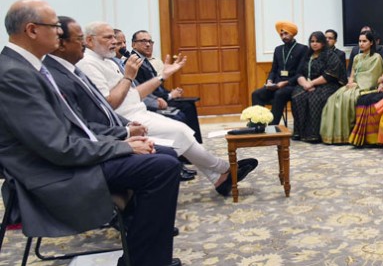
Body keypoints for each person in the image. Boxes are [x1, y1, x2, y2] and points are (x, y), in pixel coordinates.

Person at [0, 0, 182, 266]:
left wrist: (122, 137)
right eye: (54, 27)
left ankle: (141, 252)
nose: (59, 33)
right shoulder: (14, 74)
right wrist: (124, 146)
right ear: (32, 30)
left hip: (64, 158)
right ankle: (146, 261)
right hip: (51, 172)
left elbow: (75, 126)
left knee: (162, 156)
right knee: (162, 166)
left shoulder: (29, 67)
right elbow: (58, 147)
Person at [77, 21, 257, 197]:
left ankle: (219, 177)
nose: (114, 42)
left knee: (182, 130)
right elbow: (108, 104)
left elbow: (134, 94)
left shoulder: (109, 61)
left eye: (114, 38)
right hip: (125, 119)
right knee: (179, 131)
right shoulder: (88, 64)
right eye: (108, 37)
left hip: (138, 110)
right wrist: (128, 77)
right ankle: (223, 169)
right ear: (90, 40)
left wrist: (162, 76)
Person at [130, 30, 203, 143]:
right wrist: (169, 96)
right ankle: (188, 146)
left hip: (160, 97)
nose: (148, 44)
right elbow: (146, 90)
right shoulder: (135, 62)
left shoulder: (144, 60)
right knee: (185, 109)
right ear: (133, 44)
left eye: (150, 41)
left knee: (189, 103)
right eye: (143, 41)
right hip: (152, 102)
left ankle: (194, 144)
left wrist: (170, 94)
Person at [320, 31, 383, 144]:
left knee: (348, 98)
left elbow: (372, 76)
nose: (361, 44)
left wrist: (357, 85)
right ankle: (336, 135)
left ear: (371, 42)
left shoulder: (376, 57)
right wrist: (350, 82)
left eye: (364, 41)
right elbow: (352, 73)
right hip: (354, 84)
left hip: (366, 87)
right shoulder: (357, 57)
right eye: (360, 41)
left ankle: (348, 133)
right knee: (334, 98)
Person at [290, 31, 346, 142]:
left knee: (314, 98)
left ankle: (314, 134)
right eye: (312, 41)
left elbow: (329, 75)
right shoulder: (307, 55)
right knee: (297, 96)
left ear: (323, 43)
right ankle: (300, 132)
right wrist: (305, 84)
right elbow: (299, 73)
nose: (314, 44)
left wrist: (312, 83)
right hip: (306, 84)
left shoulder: (329, 55)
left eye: (317, 41)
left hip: (327, 84)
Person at [251, 20, 307, 125]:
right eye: (281, 34)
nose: (283, 36)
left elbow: (300, 72)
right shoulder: (278, 49)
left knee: (279, 94)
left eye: (286, 33)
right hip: (276, 83)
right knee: (256, 94)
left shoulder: (302, 49)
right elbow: (273, 69)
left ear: (292, 33)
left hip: (292, 84)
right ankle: (258, 124)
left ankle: (272, 126)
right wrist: (269, 81)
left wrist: (285, 83)